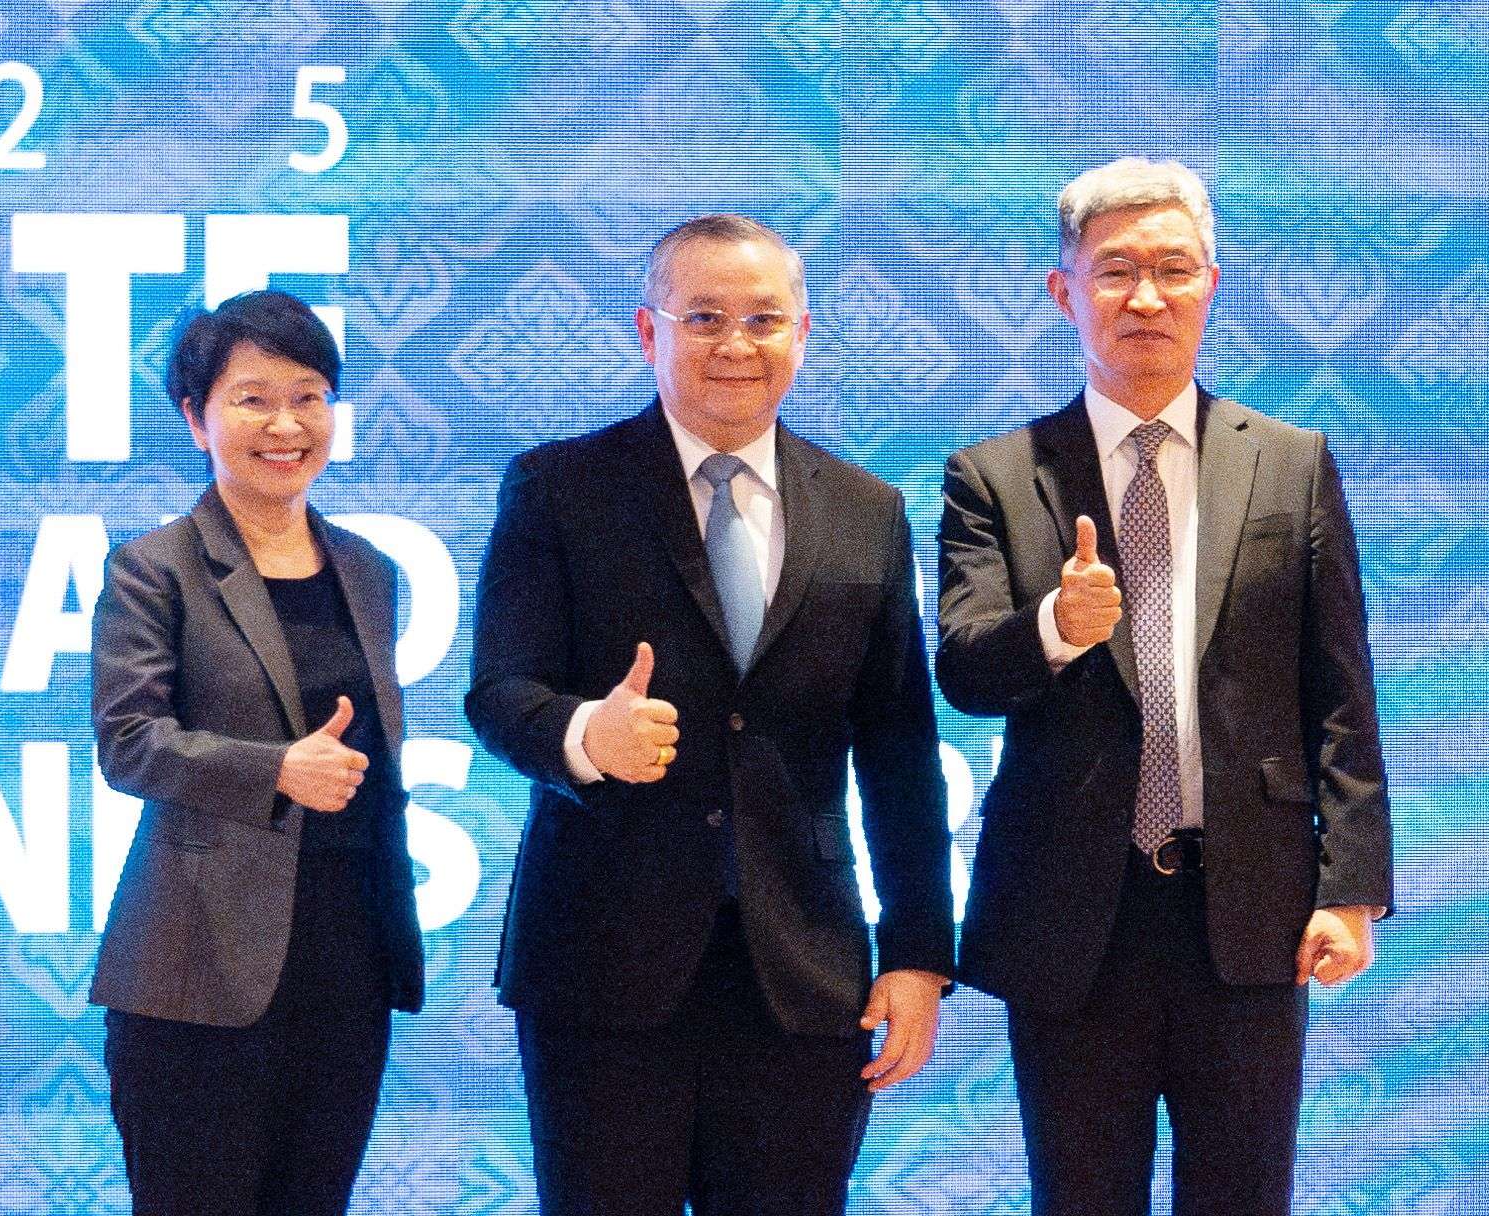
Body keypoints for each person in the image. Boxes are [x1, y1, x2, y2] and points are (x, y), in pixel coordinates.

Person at [465, 214, 954, 1216]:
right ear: (649, 330)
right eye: (704, 318)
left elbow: (899, 750)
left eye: (764, 320)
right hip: (601, 964)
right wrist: (585, 736)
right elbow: (500, 690)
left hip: (803, 970)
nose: (737, 344)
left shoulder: (865, 509)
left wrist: (917, 952)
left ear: (802, 334)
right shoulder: (560, 488)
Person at [936, 157, 1394, 1215]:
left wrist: (1352, 885)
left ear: (1211, 286)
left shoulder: (1290, 464)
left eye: (1174, 269)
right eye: (1116, 271)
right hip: (1071, 915)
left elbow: (1341, 693)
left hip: (1252, 906)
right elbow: (963, 669)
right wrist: (1055, 627)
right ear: (1065, 292)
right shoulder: (994, 475)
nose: (1147, 296)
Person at [89, 290, 424, 1215]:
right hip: (196, 969)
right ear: (196, 418)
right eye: (253, 400)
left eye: (310, 397)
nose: (286, 425)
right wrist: (275, 770)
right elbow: (129, 742)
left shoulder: (366, 569)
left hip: (345, 959)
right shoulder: (154, 568)